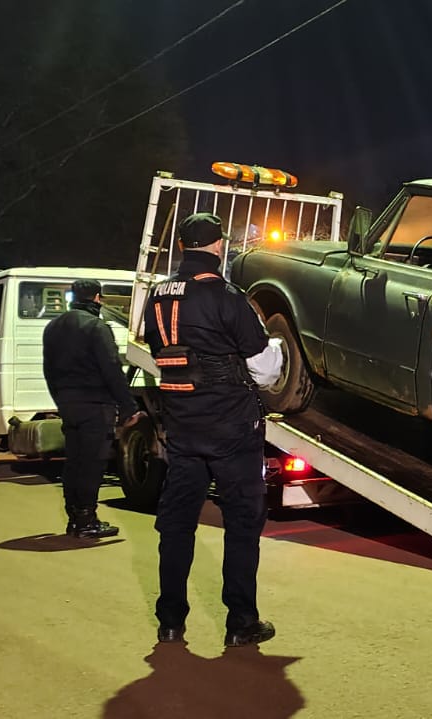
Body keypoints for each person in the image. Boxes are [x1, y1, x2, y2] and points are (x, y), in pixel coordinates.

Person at [143, 213, 277, 648]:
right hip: (231, 429)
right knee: (242, 523)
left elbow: (162, 350)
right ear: (218, 247)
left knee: (176, 526)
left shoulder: (156, 296)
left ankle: (170, 622)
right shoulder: (225, 295)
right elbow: (264, 368)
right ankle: (241, 622)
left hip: (182, 426)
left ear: (182, 246)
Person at [42, 278, 140, 539]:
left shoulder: (52, 327)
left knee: (73, 462)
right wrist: (128, 406)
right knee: (92, 464)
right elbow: (111, 370)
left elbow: (48, 370)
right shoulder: (97, 328)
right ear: (98, 298)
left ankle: (75, 518)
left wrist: (60, 400)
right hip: (96, 406)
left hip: (68, 404)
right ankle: (87, 519)